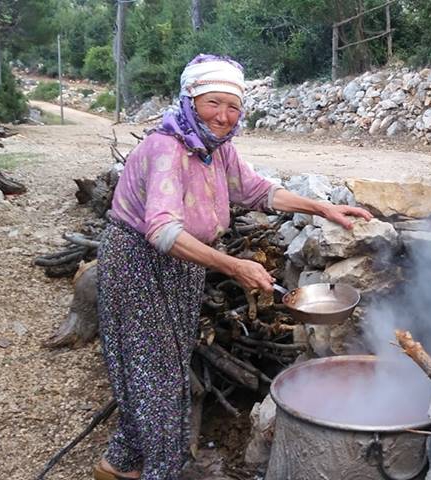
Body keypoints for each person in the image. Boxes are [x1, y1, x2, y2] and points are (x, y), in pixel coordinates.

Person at [92, 54, 372, 480]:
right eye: (213, 103)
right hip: (138, 263)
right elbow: (162, 231)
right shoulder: (168, 148)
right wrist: (233, 266)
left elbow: (257, 191)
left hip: (181, 265)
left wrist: (322, 207)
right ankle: (161, 470)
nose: (223, 117)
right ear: (190, 100)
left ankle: (119, 464)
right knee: (157, 374)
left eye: (233, 107)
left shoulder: (215, 149)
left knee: (155, 366)